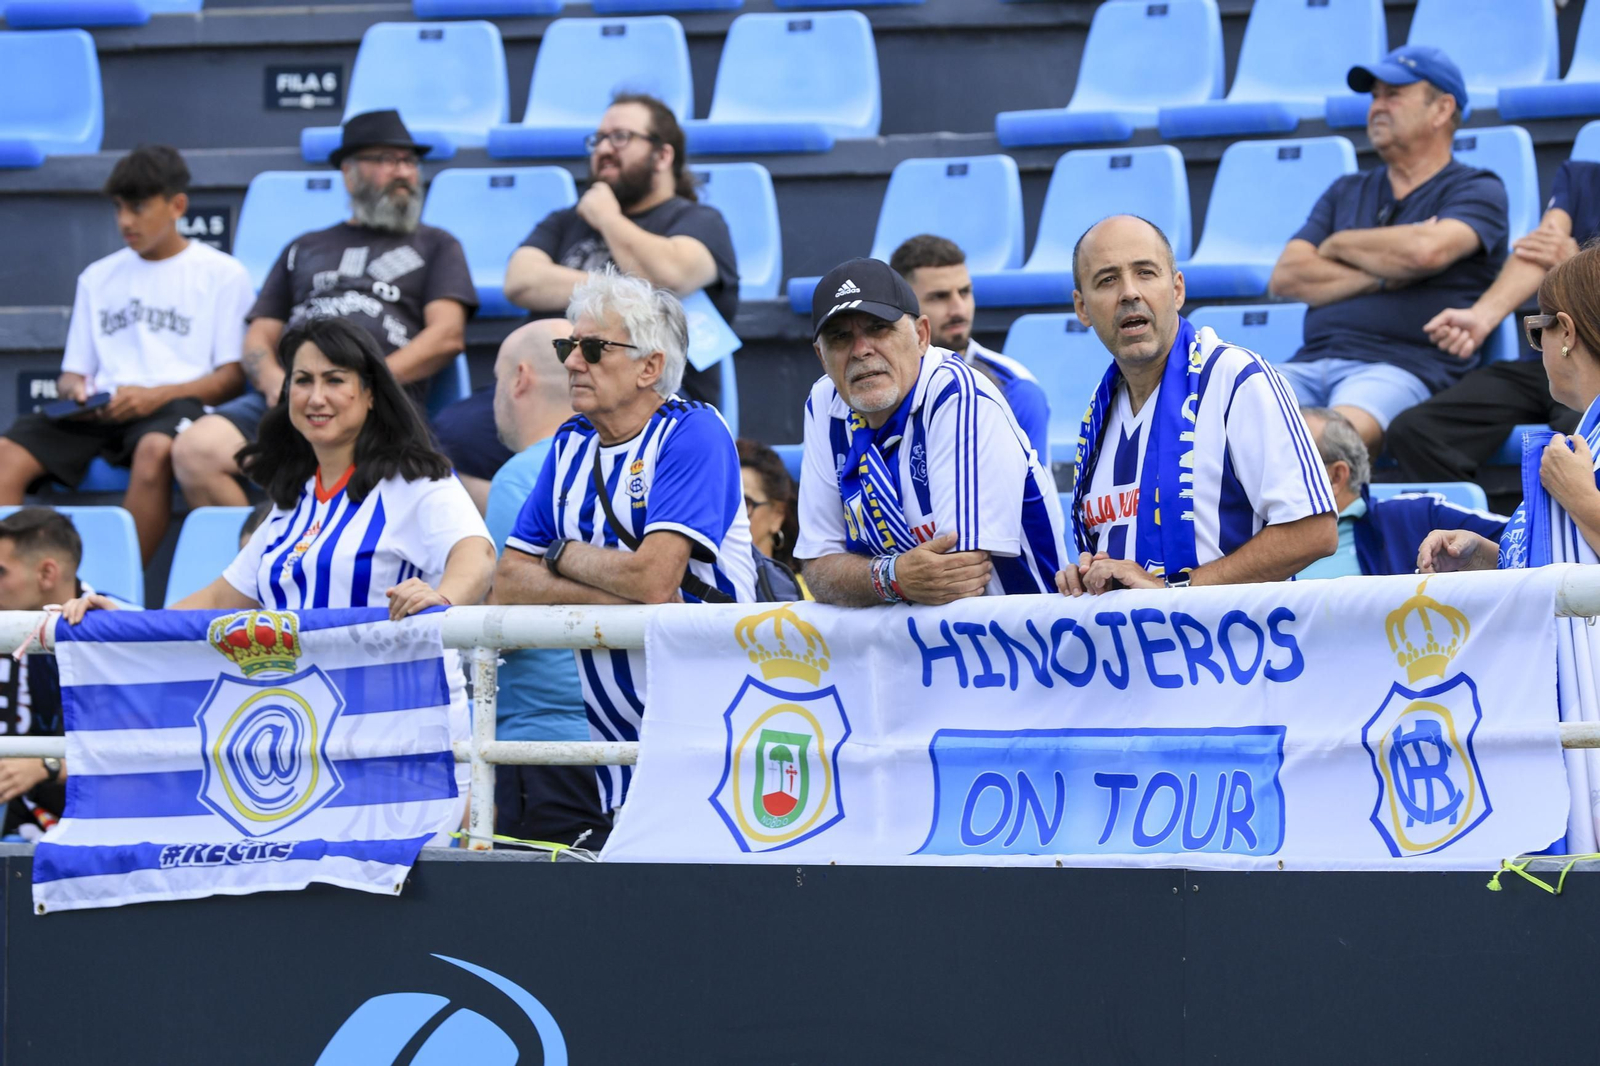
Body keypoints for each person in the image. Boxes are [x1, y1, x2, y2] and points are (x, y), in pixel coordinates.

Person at [64, 316, 497, 808]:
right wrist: (122, 623)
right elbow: (219, 600)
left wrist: (441, 597)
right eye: (303, 380)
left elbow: (476, 554)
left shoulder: (418, 481)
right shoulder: (293, 503)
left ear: (371, 393)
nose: (316, 397)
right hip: (307, 752)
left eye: (335, 380)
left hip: (403, 744)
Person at [493, 270, 757, 814]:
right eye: (569, 345)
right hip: (616, 746)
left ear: (650, 367)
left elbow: (655, 578)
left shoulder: (695, 432)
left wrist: (560, 555)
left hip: (715, 730)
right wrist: (624, 601)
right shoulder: (569, 443)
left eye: (592, 347)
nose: (571, 361)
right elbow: (509, 581)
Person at [436, 94, 743, 501]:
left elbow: (671, 274)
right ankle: (530, 523)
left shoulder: (698, 220)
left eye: (620, 137)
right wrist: (629, 288)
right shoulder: (566, 221)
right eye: (597, 139)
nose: (602, 149)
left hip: (642, 386)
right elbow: (521, 280)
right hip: (552, 379)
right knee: (442, 439)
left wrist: (608, 218)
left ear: (663, 154)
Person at [172, 109, 478, 511]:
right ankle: (271, 558)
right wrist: (281, 385)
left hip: (378, 405)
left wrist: (368, 383)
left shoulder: (437, 244)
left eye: (408, 161)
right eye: (386, 160)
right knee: (195, 450)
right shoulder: (305, 246)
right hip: (293, 397)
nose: (403, 171)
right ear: (349, 174)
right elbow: (259, 336)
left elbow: (446, 336)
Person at [1059, 215, 1337, 597]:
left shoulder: (1237, 378)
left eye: (1145, 273)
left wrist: (1176, 591)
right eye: (1107, 280)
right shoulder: (1099, 407)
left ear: (1176, 289)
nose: (1129, 293)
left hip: (1236, 651)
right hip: (1134, 650)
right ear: (1082, 307)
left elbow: (1314, 531)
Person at [0, 145, 253, 562]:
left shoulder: (224, 274)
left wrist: (156, 396)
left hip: (174, 408)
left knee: (155, 450)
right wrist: (77, 391)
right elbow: (72, 373)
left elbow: (228, 379)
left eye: (137, 207)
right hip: (103, 410)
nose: (125, 221)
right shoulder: (98, 277)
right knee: (8, 453)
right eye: (119, 208)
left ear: (177, 205)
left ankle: (118, 590)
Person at [1267, 45, 1509, 453]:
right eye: (1374, 96)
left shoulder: (1479, 188)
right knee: (1212, 427)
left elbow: (1425, 253)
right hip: (1307, 363)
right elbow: (1287, 276)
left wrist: (1338, 243)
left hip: (1400, 368)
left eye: (1393, 94)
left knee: (1324, 445)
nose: (1377, 107)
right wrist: (1385, 273)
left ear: (1442, 109)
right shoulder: (1346, 189)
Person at [795, 258, 1067, 605]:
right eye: (840, 337)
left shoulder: (960, 396)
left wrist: (868, 577)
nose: (861, 350)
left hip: (1018, 645)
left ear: (922, 336)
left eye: (878, 328)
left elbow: (960, 578)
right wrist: (893, 577)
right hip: (906, 649)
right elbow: (817, 570)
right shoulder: (823, 402)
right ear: (822, 357)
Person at [482, 318, 612, 850]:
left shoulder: (520, 474)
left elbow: (502, 620)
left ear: (519, 378)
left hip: (540, 751)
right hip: (632, 740)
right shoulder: (638, 464)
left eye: (493, 380)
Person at [1387, 159, 1598, 484]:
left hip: (1593, 360)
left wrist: (1574, 273)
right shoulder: (1581, 174)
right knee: (1416, 430)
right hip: (1550, 352)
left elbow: (1559, 261)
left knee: (1582, 440)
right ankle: (1486, 531)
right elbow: (1537, 251)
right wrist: (1480, 317)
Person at [1421, 245, 1600, 574]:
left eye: (1536, 330)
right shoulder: (1590, 429)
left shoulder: (1576, 469)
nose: (1537, 344)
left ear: (1566, 332)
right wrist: (1483, 556)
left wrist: (1580, 497)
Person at [889, 234, 1052, 464]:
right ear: (902, 306)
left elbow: (1025, 495)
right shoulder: (880, 382)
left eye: (965, 292)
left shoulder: (1015, 388)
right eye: (939, 297)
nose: (958, 309)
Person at [1299, 407, 1504, 579]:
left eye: (1286, 461)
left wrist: (1477, 555)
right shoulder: (1269, 532)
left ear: (1336, 476)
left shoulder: (1415, 517)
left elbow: (1525, 542)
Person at [0, 509, 81, 836]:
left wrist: (48, 766)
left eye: (0, 572)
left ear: (47, 573)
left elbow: (138, 751)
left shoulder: (115, 630)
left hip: (85, 811)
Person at [737, 439, 799, 569]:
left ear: (778, 514)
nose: (730, 518)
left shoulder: (797, 589)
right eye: (720, 505)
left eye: (743, 504)